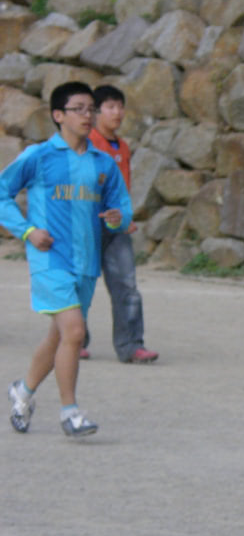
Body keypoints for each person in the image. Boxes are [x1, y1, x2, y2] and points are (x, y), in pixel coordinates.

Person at [2, 81, 133, 438]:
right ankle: (70, 412)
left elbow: (122, 205)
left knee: (61, 337)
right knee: (75, 332)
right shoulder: (39, 156)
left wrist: (118, 218)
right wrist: (28, 232)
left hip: (87, 262)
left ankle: (23, 391)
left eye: (91, 108)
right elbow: (2, 194)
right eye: (79, 108)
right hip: (50, 260)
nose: (87, 115)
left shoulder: (102, 162)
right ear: (58, 116)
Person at [83, 84, 158, 364]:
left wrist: (124, 217)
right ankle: (73, 340)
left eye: (120, 106)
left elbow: (123, 187)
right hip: (87, 226)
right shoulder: (87, 143)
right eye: (110, 107)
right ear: (97, 112)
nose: (117, 113)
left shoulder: (122, 146)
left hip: (116, 227)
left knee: (127, 286)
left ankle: (131, 345)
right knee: (80, 284)